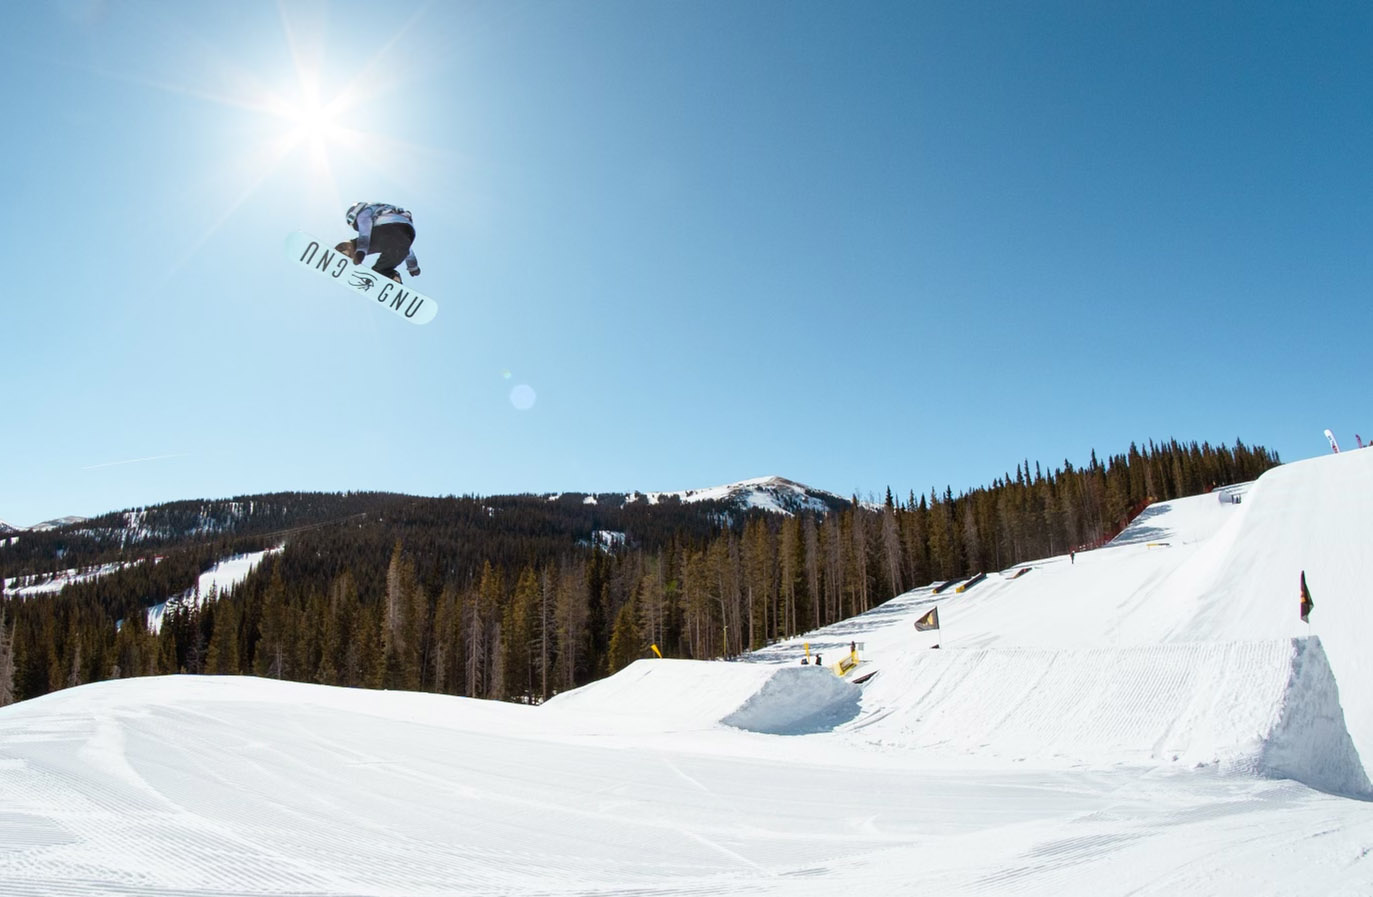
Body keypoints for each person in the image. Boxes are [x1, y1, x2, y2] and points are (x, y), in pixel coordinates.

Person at [335, 201, 421, 284]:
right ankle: (391, 276)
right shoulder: (395, 213)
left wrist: (361, 251)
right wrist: (413, 267)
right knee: (384, 268)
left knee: (367, 240)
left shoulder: (364, 212)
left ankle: (347, 250)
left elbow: (365, 234)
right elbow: (407, 248)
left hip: (384, 230)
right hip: (406, 236)